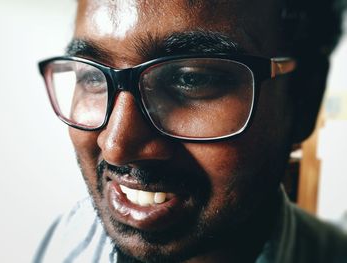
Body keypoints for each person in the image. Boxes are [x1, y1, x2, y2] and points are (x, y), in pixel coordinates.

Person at [35, 0, 347, 262]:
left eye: (191, 79)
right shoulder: (62, 239)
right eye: (91, 75)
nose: (116, 144)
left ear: (303, 100)